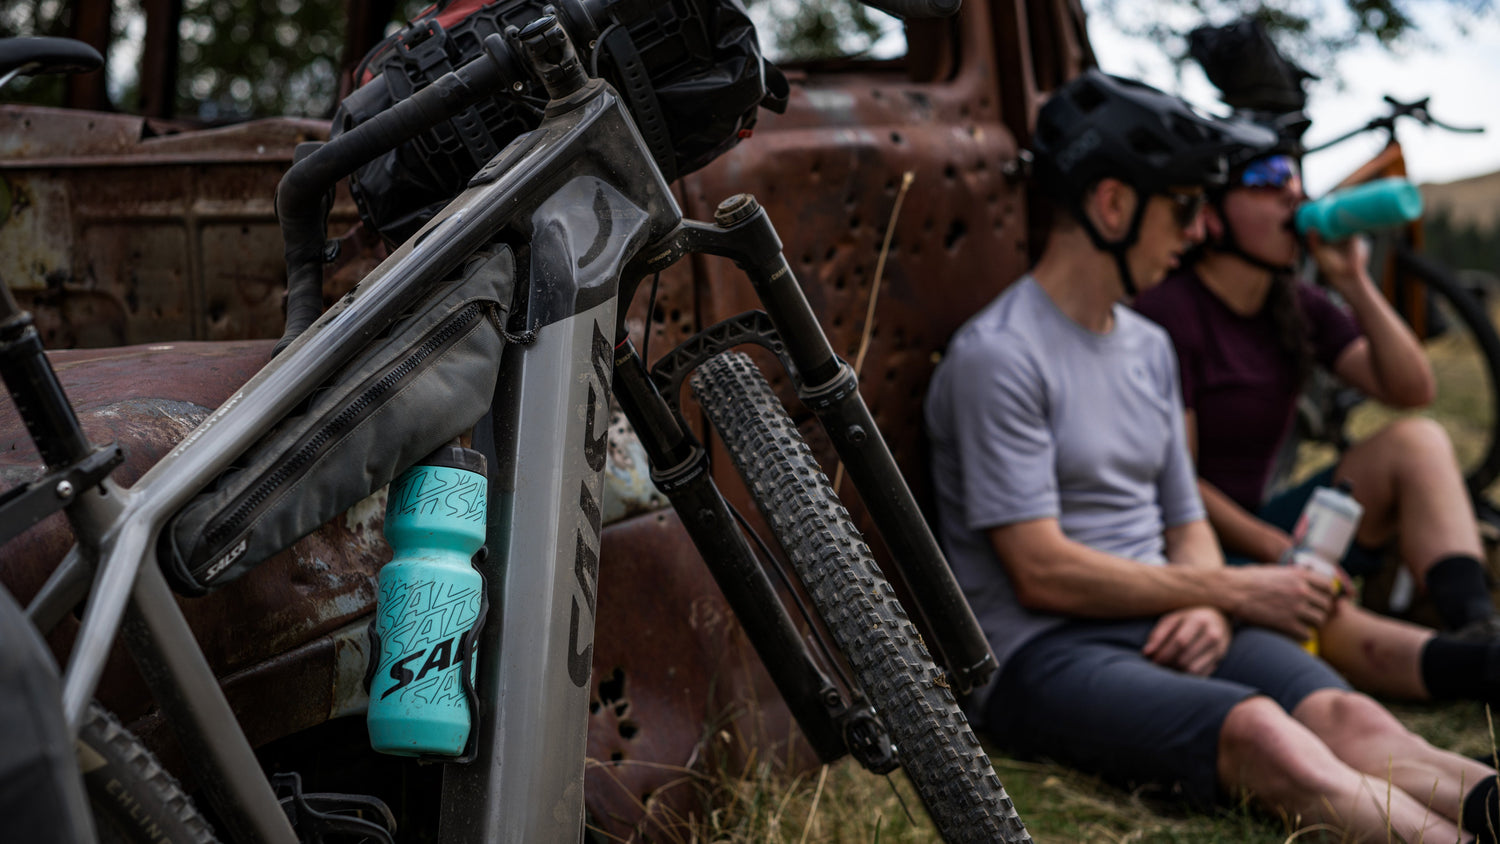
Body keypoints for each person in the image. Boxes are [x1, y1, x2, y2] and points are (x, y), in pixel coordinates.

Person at [924, 68, 1500, 840]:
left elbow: (1185, 513)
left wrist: (1204, 596)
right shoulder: (1000, 356)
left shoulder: (1148, 346)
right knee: (1265, 734)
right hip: (1043, 653)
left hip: (1169, 613)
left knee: (1351, 715)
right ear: (1113, 204)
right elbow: (1040, 568)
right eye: (1184, 207)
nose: (1196, 232)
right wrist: (1232, 592)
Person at [1132, 137, 1500, 707]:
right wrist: (1278, 553)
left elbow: (1412, 390)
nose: (1293, 195)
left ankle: (1478, 626)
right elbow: (1174, 480)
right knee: (1318, 615)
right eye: (1267, 184)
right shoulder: (1170, 314)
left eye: (1295, 181)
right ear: (1212, 213)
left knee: (1417, 440)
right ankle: (1475, 671)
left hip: (1268, 528)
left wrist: (1352, 279)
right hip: (1192, 544)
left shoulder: (1295, 304)